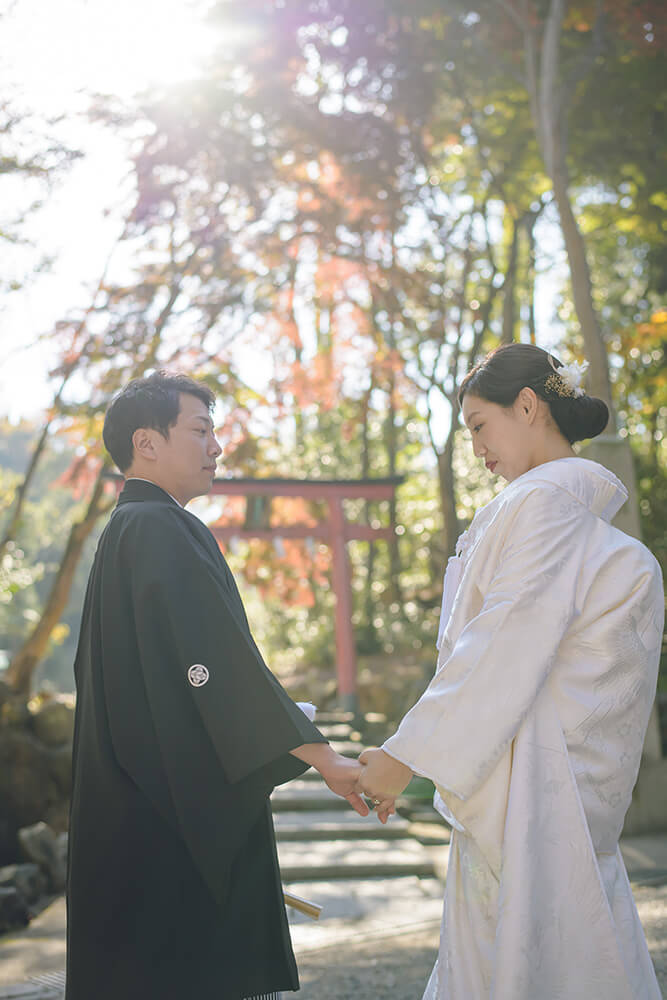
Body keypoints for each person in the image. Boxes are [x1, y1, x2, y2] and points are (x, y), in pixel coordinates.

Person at [357, 343, 664, 999]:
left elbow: (502, 640)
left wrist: (405, 755)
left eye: (477, 426)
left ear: (526, 406)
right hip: (552, 786)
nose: (475, 450)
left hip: (533, 789)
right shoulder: (579, 522)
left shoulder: (543, 505)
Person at [66, 371, 372, 1000]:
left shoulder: (125, 534)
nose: (217, 447)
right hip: (168, 825)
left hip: (130, 811)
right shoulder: (160, 529)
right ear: (146, 443)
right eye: (200, 431)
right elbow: (219, 669)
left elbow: (189, 675)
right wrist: (326, 758)